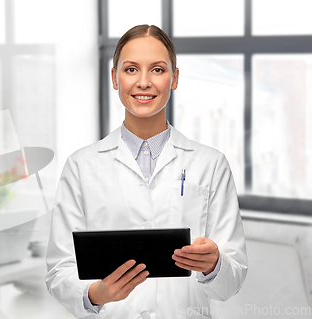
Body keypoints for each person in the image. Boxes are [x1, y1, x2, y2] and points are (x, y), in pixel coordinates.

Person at [45, 24, 248, 318]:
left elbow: (233, 277)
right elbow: (59, 270)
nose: (143, 82)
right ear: (114, 78)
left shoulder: (211, 164)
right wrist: (96, 293)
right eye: (130, 70)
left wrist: (214, 264)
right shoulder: (81, 166)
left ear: (174, 78)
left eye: (157, 69)